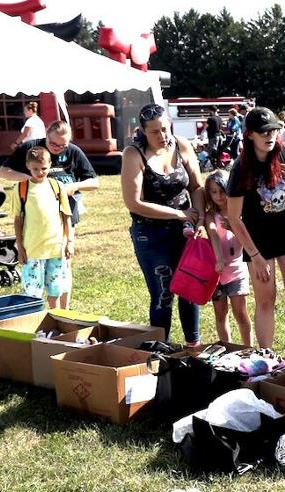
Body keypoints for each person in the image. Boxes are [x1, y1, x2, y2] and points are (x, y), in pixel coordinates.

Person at [225, 107, 285, 361]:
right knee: (266, 299)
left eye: (273, 129)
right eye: (263, 131)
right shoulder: (241, 167)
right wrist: (256, 256)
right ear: (250, 134)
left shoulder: (283, 150)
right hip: (258, 239)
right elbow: (233, 218)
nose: (270, 135)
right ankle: (266, 356)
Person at [120, 104, 205, 346]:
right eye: (155, 132)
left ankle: (193, 348)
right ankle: (161, 351)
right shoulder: (133, 154)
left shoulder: (182, 145)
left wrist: (198, 216)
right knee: (163, 295)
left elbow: (197, 187)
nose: (162, 136)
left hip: (184, 231)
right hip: (151, 234)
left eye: (165, 129)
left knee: (188, 290)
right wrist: (179, 214)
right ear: (143, 131)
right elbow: (134, 203)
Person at [0, 120, 99, 309]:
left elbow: (94, 182)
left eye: (63, 145)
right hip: (34, 221)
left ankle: (64, 311)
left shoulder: (73, 152)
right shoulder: (31, 148)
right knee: (34, 273)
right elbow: (3, 171)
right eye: (54, 144)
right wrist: (31, 178)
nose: (59, 148)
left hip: (63, 216)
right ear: (46, 135)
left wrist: (72, 187)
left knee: (63, 267)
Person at [11, 147, 73, 308]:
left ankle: (57, 321)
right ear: (27, 166)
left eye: (44, 168)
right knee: (32, 295)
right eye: (35, 169)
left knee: (56, 291)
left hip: (55, 248)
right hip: (32, 250)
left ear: (50, 165)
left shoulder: (57, 186)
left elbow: (66, 216)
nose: (40, 172)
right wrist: (20, 248)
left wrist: (69, 242)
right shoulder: (20, 189)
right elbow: (18, 220)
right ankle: (35, 323)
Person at [204, 169, 252, 346]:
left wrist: (233, 227)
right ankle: (227, 348)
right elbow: (213, 234)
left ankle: (248, 348)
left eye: (222, 191)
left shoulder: (238, 215)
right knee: (220, 313)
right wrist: (218, 258)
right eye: (213, 192)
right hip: (217, 272)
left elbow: (247, 241)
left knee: (240, 313)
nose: (218, 196)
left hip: (236, 270)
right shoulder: (211, 215)